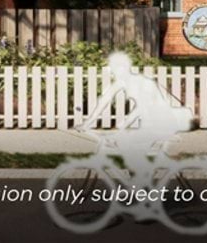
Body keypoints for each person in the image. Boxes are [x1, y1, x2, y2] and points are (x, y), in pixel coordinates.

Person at [78, 51, 191, 180]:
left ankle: (144, 173)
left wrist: (123, 127)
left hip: (162, 122)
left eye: (117, 68)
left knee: (124, 141)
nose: (114, 72)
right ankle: (140, 174)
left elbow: (141, 108)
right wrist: (87, 123)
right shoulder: (121, 83)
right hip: (150, 123)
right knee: (128, 146)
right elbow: (103, 102)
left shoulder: (142, 82)